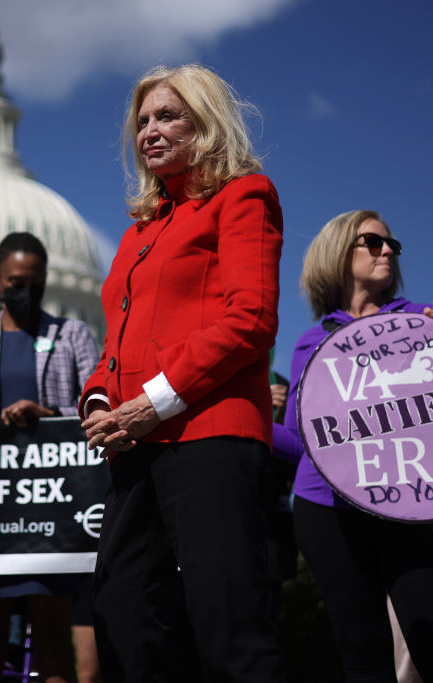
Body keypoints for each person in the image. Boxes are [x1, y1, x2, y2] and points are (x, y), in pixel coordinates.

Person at [80, 64, 285, 682]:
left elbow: (249, 319)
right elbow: (114, 339)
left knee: (228, 624)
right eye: (141, 121)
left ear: (207, 124)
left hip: (211, 436)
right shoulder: (136, 233)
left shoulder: (244, 195)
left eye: (167, 116)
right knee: (122, 609)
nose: (149, 130)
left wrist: (152, 402)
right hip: (135, 443)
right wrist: (96, 399)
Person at [272, 209, 433, 682]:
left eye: (392, 245)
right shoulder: (310, 341)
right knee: (361, 653)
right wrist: (241, 419)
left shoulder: (423, 321)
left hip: (413, 500)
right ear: (337, 253)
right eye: (372, 242)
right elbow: (302, 444)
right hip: (325, 510)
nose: (387, 249)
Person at [0, 232, 100, 683]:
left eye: (34, 282)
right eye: (15, 281)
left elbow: (95, 409)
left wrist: (49, 416)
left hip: (50, 512)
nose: (24, 291)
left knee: (54, 650)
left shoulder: (72, 335)